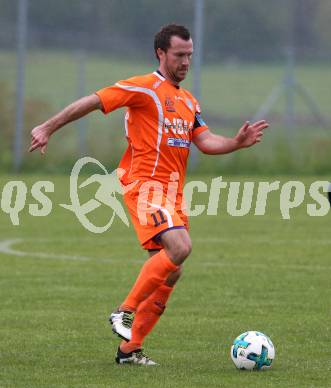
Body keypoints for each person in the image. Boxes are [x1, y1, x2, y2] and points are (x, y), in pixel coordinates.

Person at [29, 24, 269, 365]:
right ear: (161, 53)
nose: (186, 61)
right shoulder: (145, 88)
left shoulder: (187, 101)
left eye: (189, 55)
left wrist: (235, 143)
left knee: (172, 270)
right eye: (179, 55)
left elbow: (205, 141)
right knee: (180, 247)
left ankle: (129, 350)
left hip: (171, 194)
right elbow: (93, 101)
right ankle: (123, 312)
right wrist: (47, 126)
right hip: (143, 185)